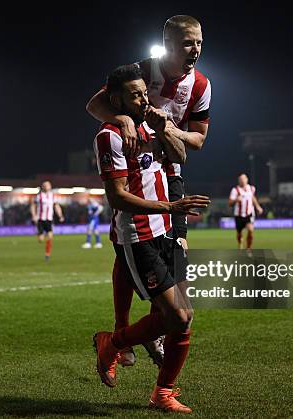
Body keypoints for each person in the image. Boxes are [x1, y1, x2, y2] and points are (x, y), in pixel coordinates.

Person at [86, 15, 211, 366]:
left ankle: (150, 332)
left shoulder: (200, 85)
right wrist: (123, 119)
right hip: (137, 168)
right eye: (188, 43)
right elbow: (96, 105)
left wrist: (169, 131)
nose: (196, 49)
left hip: (172, 172)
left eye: (199, 42)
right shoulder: (141, 69)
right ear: (168, 44)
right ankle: (122, 332)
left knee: (174, 254)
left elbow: (198, 140)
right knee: (127, 243)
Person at [30, 180, 64, 261]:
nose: (46, 187)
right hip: (40, 219)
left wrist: (60, 216)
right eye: (44, 185)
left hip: (49, 219)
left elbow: (56, 206)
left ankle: (47, 254)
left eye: (47, 185)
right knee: (40, 240)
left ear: (50, 186)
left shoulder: (53, 196)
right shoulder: (39, 196)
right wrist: (34, 215)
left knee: (50, 237)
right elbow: (33, 206)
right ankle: (41, 234)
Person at [228, 174, 263, 250]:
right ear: (238, 181)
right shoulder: (235, 190)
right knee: (239, 233)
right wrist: (236, 200)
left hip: (249, 214)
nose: (242, 181)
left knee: (250, 230)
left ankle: (248, 248)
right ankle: (240, 244)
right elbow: (230, 203)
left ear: (247, 179)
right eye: (240, 179)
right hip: (239, 215)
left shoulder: (251, 188)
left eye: (243, 179)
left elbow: (253, 197)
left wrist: (257, 206)